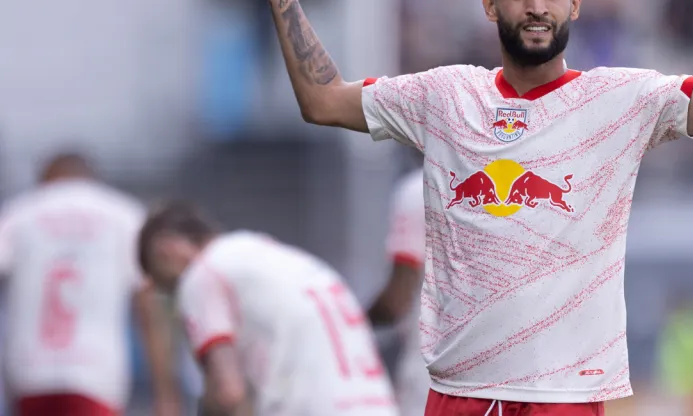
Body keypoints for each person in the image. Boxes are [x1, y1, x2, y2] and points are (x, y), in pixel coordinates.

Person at [261, 0, 693, 415]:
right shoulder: (443, 95)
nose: (537, 7)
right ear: (490, 5)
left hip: (564, 397)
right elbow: (323, 101)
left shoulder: (621, 99)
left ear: (575, 4)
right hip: (460, 394)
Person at [137, 200, 398, 416]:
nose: (173, 292)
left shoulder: (202, 274)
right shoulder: (287, 258)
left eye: (165, 284)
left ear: (165, 249)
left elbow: (227, 392)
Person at [0, 153, 180, 416]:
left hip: (29, 372)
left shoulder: (19, 212)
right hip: (97, 373)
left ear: (45, 178)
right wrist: (166, 393)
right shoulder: (123, 214)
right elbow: (148, 310)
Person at [368, 167, 431, 416]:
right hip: (518, 379)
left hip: (435, 375)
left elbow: (396, 301)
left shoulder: (421, 187)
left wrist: (351, 323)